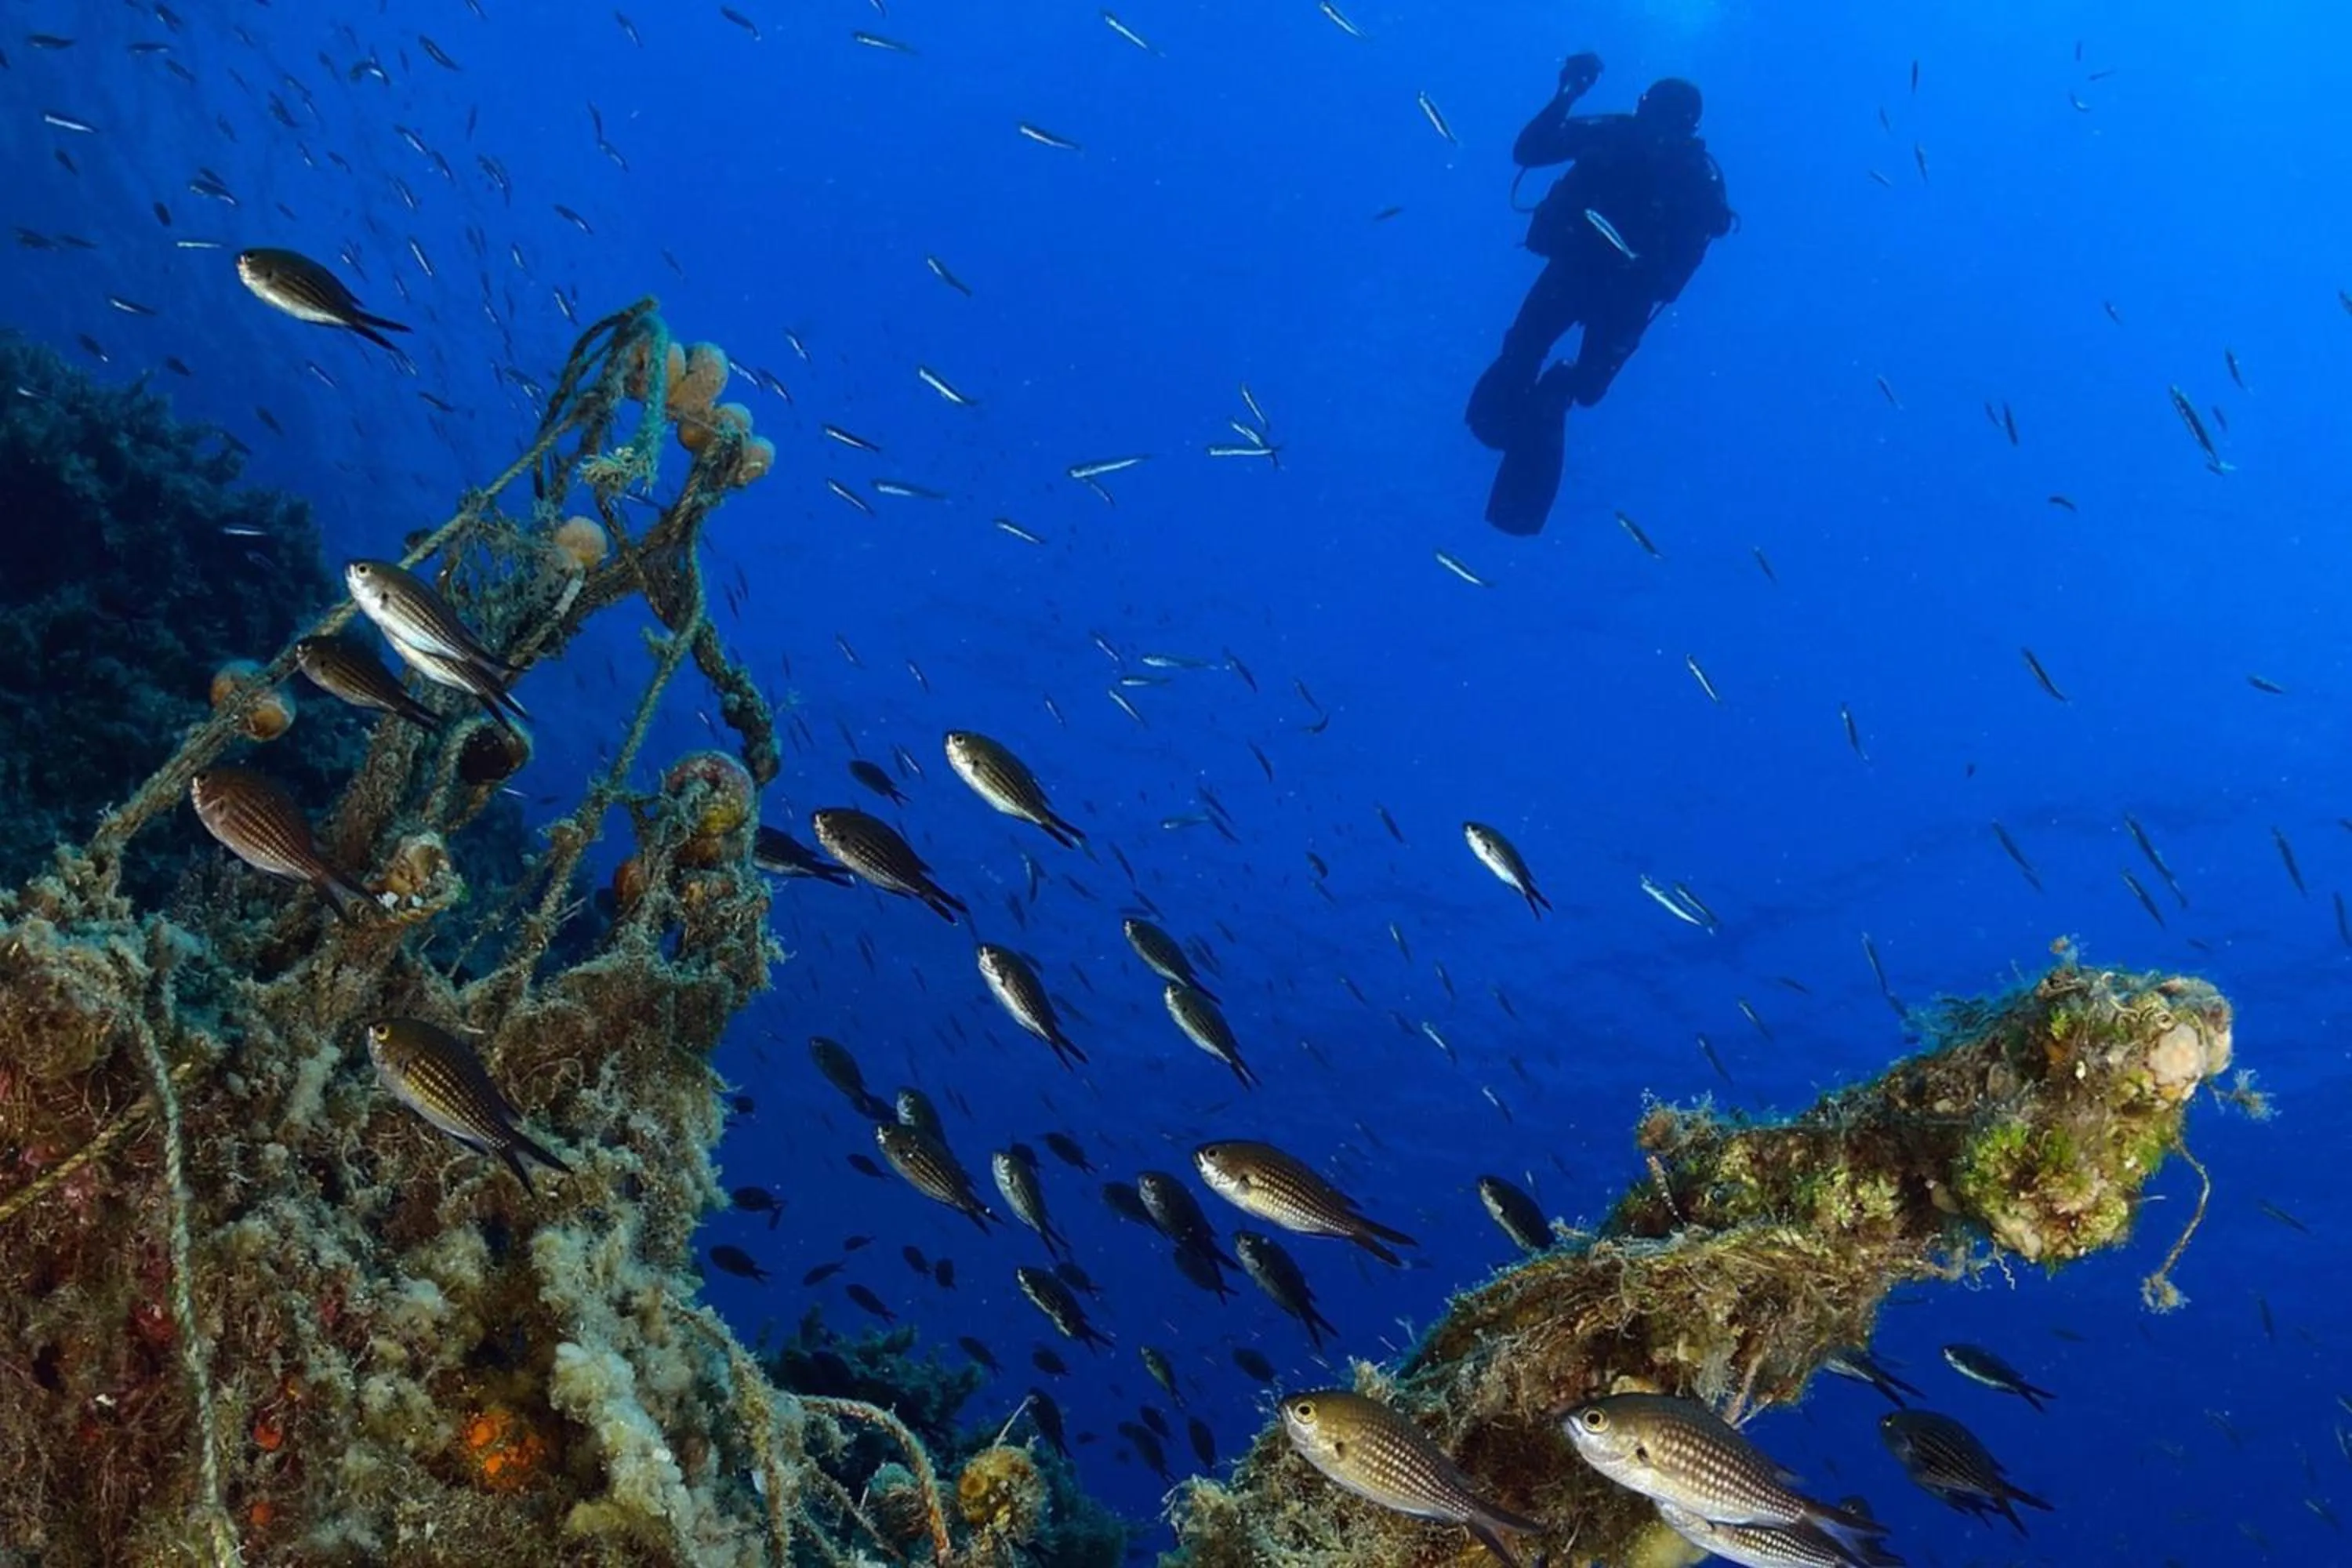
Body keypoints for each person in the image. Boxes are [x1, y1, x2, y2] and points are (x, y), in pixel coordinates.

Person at [1466, 55, 1733, 535]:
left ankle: (1528, 410)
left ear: (1645, 104)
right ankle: (1545, 402)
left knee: (1524, 362)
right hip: (1623, 293)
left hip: (1577, 270)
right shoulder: (1696, 171)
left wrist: (1570, 92)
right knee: (1578, 387)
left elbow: (1529, 149)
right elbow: (1713, 230)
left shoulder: (1618, 132)